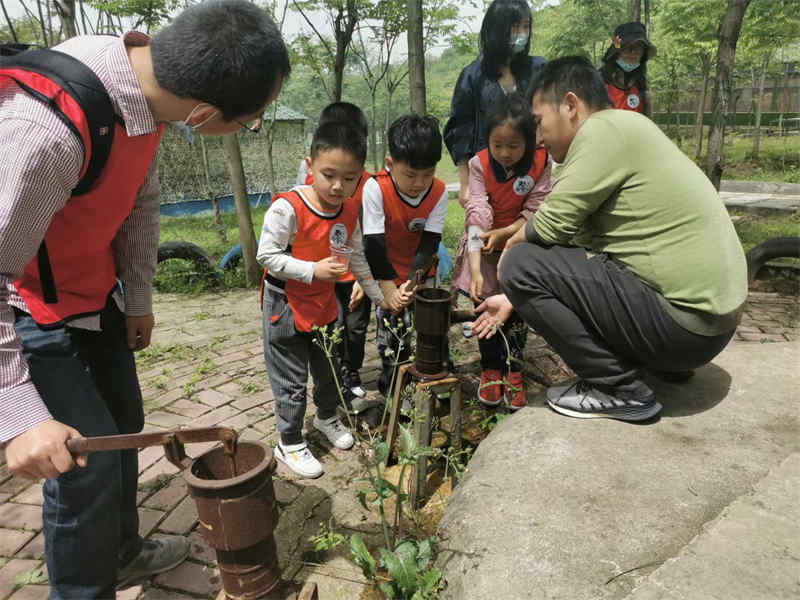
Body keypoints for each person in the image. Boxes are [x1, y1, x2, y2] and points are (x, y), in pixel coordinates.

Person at [0, 1, 290, 597]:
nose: (248, 128)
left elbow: (139, 197)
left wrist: (137, 296)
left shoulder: (148, 88)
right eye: (249, 121)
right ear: (207, 114)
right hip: (33, 308)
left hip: (94, 295)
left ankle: (124, 550)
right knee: (84, 466)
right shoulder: (47, 132)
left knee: (124, 427)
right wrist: (16, 415)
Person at [472, 56, 747, 422]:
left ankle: (618, 388)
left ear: (570, 105)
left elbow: (550, 225)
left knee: (519, 263)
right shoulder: (627, 129)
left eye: (539, 123)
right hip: (708, 330)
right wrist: (514, 298)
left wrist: (511, 263)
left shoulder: (602, 131)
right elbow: (579, 249)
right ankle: (655, 364)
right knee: (531, 267)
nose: (537, 137)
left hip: (683, 326)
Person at [258, 121, 387, 479]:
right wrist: (312, 269)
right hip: (285, 303)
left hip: (324, 302)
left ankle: (326, 417)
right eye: (329, 174)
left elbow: (356, 256)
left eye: (349, 179)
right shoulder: (288, 209)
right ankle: (288, 441)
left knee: (330, 367)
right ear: (309, 165)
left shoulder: (347, 210)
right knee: (291, 377)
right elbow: (266, 257)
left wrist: (379, 296)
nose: (337, 186)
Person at [451, 92, 551, 410]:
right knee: (485, 310)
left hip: (522, 242)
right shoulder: (478, 164)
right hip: (483, 247)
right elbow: (478, 211)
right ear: (487, 141)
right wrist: (477, 268)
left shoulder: (541, 162)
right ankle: (491, 369)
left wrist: (508, 233)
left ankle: (514, 370)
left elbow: (537, 208)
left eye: (513, 146)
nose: (505, 154)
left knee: (517, 310)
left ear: (529, 141)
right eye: (497, 145)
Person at [363, 114, 448, 398]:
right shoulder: (376, 189)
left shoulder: (438, 192)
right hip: (386, 275)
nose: (419, 183)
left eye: (427, 174)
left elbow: (429, 243)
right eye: (410, 174)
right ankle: (394, 395)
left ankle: (434, 387)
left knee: (432, 334)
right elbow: (373, 244)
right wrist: (390, 290)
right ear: (390, 164)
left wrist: (412, 284)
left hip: (422, 276)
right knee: (392, 340)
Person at [295, 102, 372, 403]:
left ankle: (352, 371)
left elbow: (369, 233)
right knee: (332, 328)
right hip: (323, 271)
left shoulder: (367, 184)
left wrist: (364, 280)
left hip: (354, 272)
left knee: (355, 328)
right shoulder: (313, 178)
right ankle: (336, 377)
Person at [443, 0, 546, 208]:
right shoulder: (472, 76)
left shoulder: (539, 69)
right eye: (515, 27)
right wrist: (465, 184)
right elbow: (460, 131)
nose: (522, 34)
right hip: (489, 179)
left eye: (526, 26)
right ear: (497, 29)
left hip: (536, 175)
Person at [600, 22, 656, 117]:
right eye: (628, 47)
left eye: (639, 48)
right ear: (617, 51)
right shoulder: (599, 82)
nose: (633, 52)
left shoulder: (641, 87)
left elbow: (647, 125)